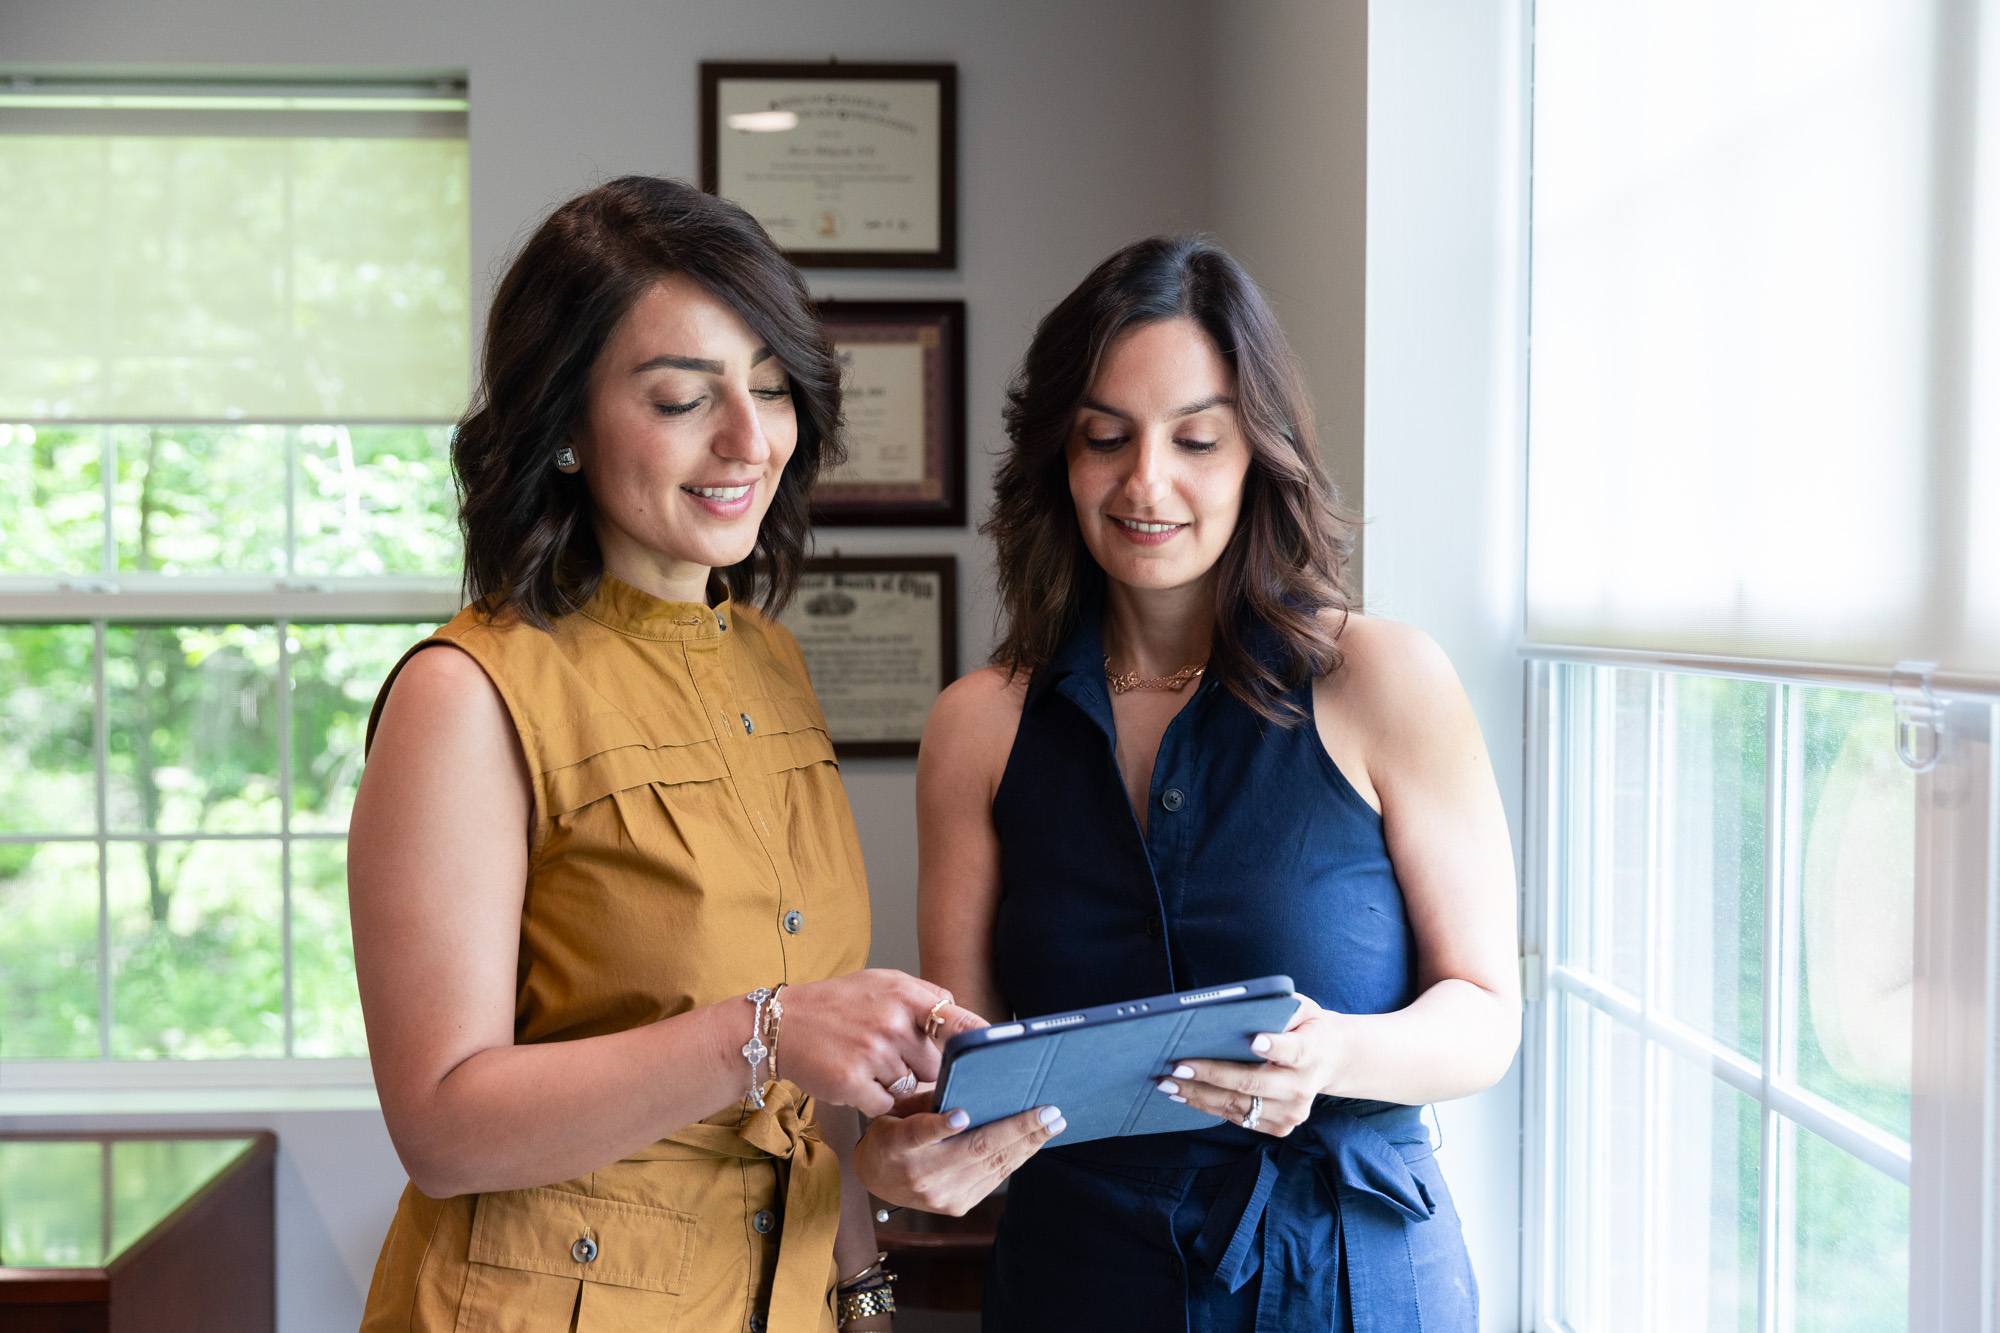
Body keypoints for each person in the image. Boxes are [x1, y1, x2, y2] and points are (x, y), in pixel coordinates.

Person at [350, 176, 1059, 1333]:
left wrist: (867, 1296)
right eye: (683, 397)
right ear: (563, 425)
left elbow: (804, 1102)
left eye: (771, 388)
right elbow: (440, 1127)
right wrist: (762, 1030)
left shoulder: (768, 663)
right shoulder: (464, 693)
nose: (747, 437)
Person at [917, 235, 1521, 1331]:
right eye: (1105, 438)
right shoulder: (978, 726)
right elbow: (965, 1061)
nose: (1145, 481)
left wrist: (1335, 1051)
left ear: (1258, 456)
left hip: (1346, 1272)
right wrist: (914, 1146)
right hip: (1076, 1281)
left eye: (1195, 439)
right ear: (1060, 453)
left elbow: (1485, 1017)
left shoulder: (1380, 680)